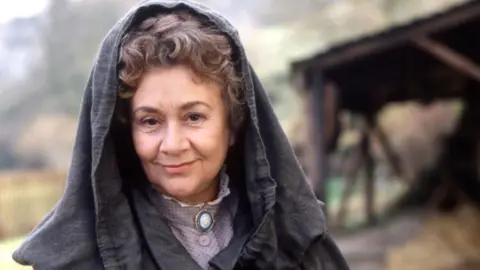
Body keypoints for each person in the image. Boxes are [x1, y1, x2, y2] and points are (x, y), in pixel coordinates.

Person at [13, 0, 349, 269]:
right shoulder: (76, 259)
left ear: (232, 126)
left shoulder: (295, 240)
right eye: (150, 121)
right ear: (125, 130)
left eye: (194, 117)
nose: (172, 145)